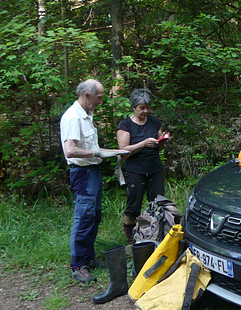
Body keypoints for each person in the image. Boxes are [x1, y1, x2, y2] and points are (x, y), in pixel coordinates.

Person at [60, 79, 129, 284]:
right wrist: (98, 152)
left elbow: (92, 149)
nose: (101, 101)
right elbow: (70, 150)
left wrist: (116, 152)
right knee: (83, 216)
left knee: (94, 215)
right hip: (82, 173)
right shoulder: (73, 117)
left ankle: (89, 258)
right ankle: (78, 265)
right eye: (99, 97)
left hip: (93, 171)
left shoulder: (87, 115)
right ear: (87, 95)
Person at [116, 89, 168, 245]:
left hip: (155, 168)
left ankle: (156, 236)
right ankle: (131, 241)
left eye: (147, 107)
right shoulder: (125, 125)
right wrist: (143, 143)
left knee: (158, 204)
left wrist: (161, 143)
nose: (145, 111)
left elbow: (159, 148)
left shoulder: (154, 121)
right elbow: (123, 151)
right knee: (134, 205)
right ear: (133, 107)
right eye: (141, 108)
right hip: (135, 170)